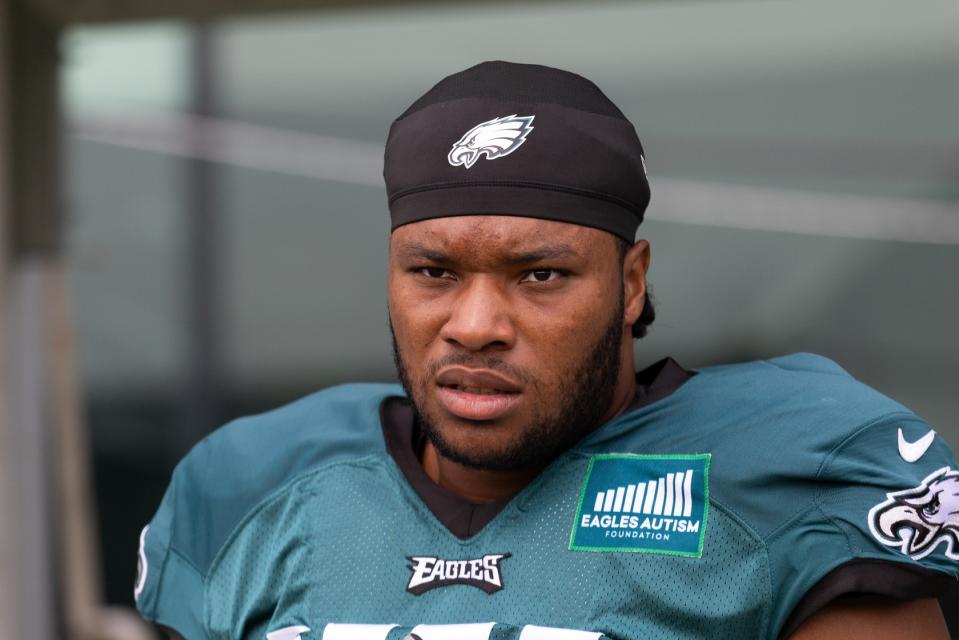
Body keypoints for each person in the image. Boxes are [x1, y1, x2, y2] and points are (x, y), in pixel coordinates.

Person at [134, 61, 958, 640]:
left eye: (538, 275)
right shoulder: (255, 486)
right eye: (433, 271)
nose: (475, 323)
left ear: (629, 284)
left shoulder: (786, 473)